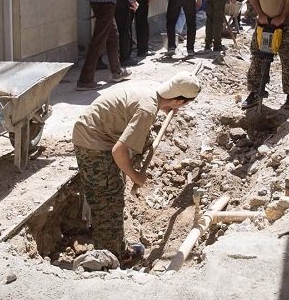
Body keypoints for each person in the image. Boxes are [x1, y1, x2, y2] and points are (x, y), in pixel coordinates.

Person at [72, 72, 202, 263]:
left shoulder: (153, 91)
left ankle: (116, 245)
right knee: (108, 200)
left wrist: (169, 107)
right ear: (179, 101)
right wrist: (135, 176)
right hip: (92, 141)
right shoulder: (147, 110)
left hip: (99, 131)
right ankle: (111, 259)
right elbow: (118, 151)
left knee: (143, 142)